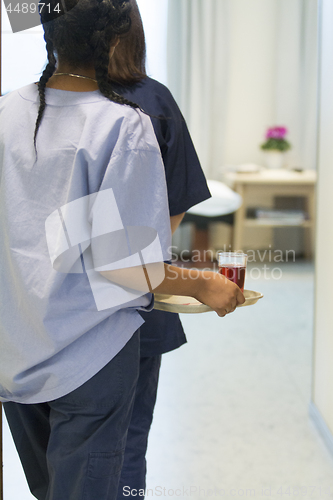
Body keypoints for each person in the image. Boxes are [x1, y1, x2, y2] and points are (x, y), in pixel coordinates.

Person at [0, 0, 244, 499]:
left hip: (18, 354)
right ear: (113, 39)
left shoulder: (5, 111)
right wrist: (203, 282)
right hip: (90, 359)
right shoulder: (123, 126)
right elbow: (131, 266)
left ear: (48, 33)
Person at [107, 2, 212, 497]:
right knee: (128, 442)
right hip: (137, 300)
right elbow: (166, 225)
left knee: (60, 452)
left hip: (49, 312)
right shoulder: (153, 103)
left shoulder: (30, 107)